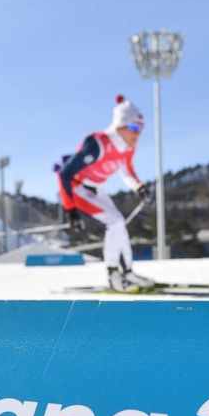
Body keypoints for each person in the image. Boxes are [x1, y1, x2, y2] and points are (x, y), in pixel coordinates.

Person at [56, 95, 155, 292]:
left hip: (96, 189)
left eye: (141, 128)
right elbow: (65, 173)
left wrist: (140, 188)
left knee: (120, 224)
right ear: (121, 125)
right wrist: (71, 209)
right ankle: (113, 274)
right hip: (77, 189)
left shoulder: (127, 149)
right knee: (115, 223)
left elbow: (127, 172)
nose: (139, 133)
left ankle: (127, 272)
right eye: (135, 128)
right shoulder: (98, 143)